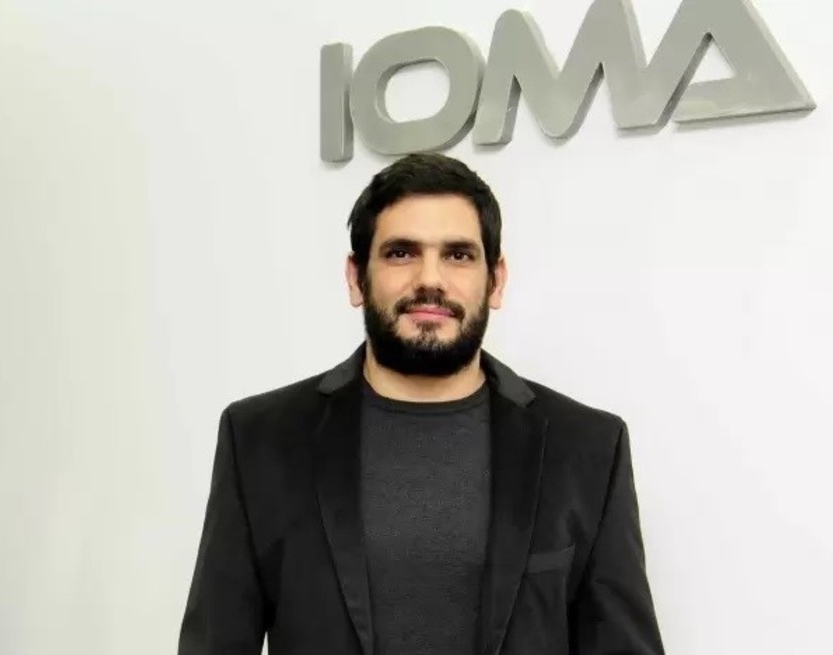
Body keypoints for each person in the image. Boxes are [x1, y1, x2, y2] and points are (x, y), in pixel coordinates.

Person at [177, 153, 665, 655]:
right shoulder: (260, 440)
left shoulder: (586, 448)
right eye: (401, 253)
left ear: (495, 281)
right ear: (355, 278)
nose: (430, 280)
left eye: (458, 255)